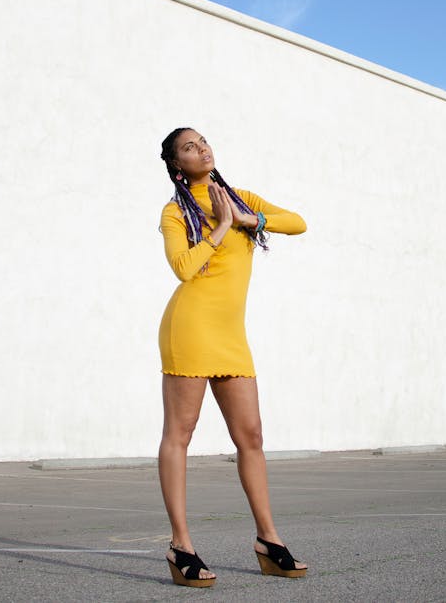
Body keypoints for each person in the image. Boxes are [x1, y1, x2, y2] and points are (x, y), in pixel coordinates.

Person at [158, 127, 308, 588]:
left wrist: (247, 219)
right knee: (180, 433)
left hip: (230, 335)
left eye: (203, 141)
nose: (201, 148)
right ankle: (181, 544)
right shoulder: (174, 211)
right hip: (190, 327)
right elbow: (183, 268)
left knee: (252, 436)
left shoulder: (240, 196)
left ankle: (268, 539)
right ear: (177, 164)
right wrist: (221, 227)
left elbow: (297, 221)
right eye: (189, 147)